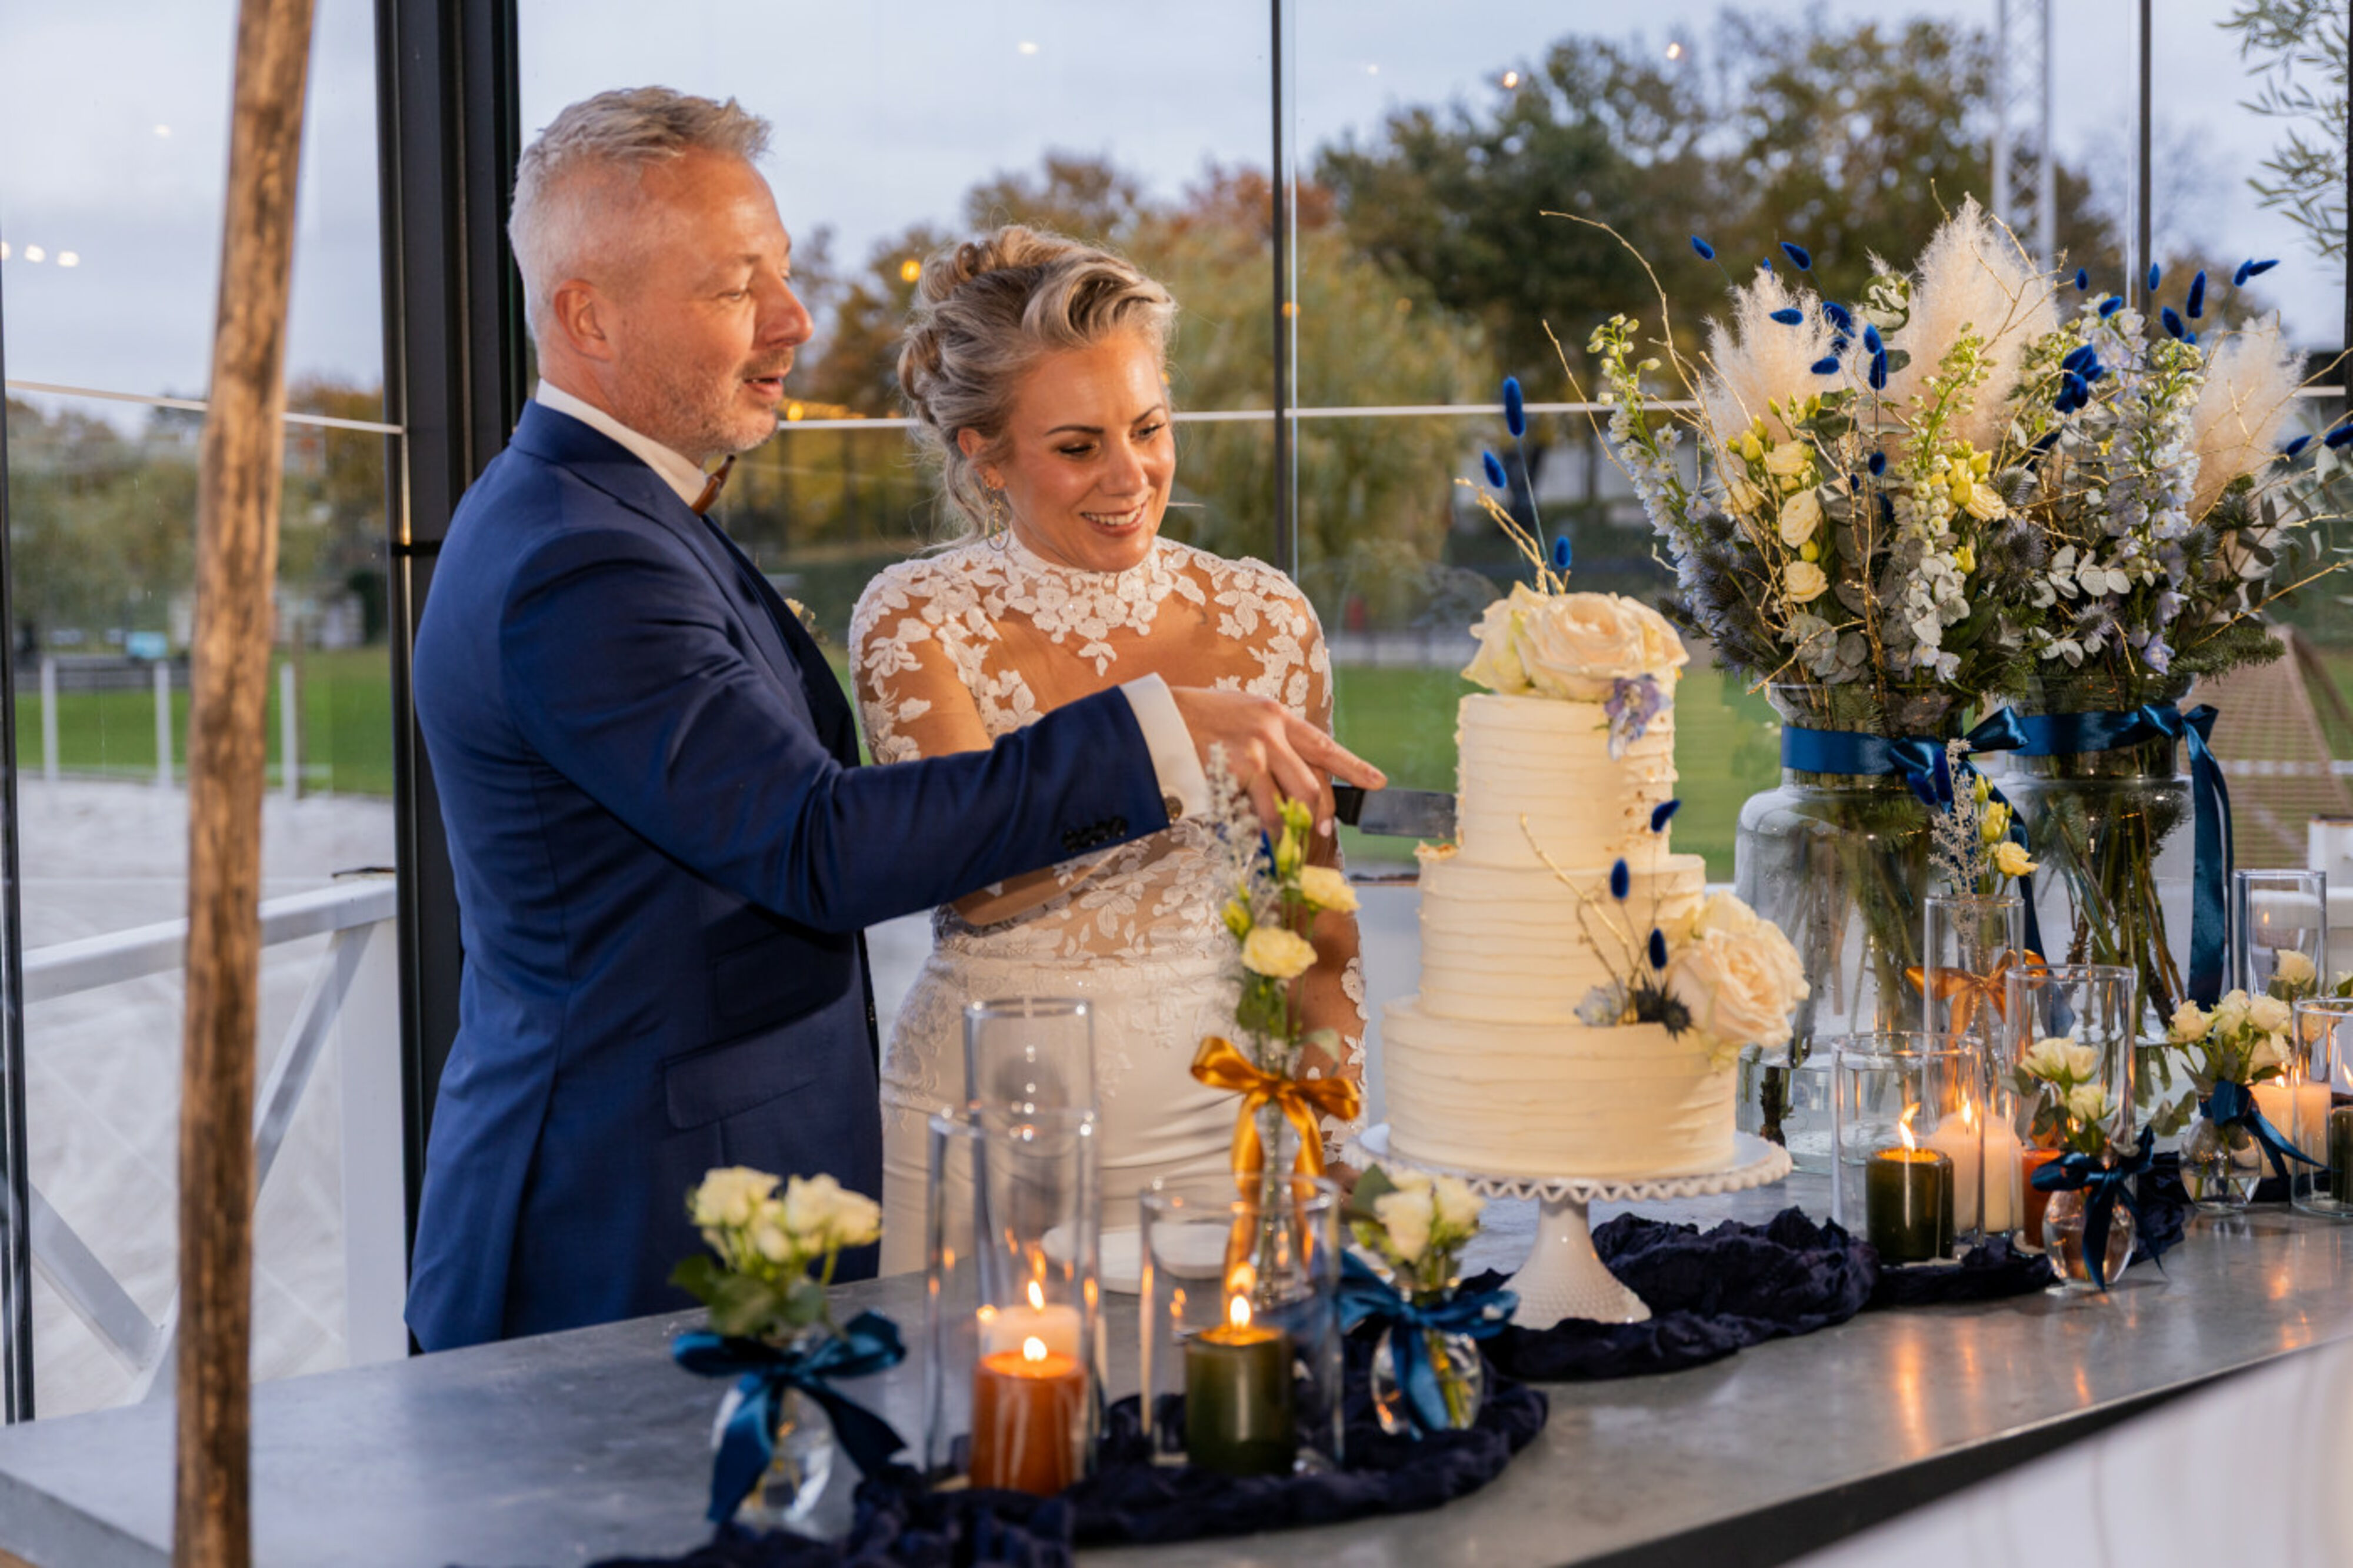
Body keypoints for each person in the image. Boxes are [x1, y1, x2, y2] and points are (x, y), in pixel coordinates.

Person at [405, 91, 1381, 1350]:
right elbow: (818, 845)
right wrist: (1160, 730)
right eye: (735, 287)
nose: (794, 319)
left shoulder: (617, 517)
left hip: (741, 1174)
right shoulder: (577, 558)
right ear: (588, 315)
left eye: (783, 274)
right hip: (621, 1217)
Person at [852, 228, 1367, 1272]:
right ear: (984, 454)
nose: (1131, 475)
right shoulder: (916, 617)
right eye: (1079, 447)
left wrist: (1326, 1119)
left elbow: (1314, 916)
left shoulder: (1268, 615)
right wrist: (1170, 731)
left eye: (1149, 428)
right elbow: (977, 883)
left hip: (1225, 1126)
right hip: (989, 1130)